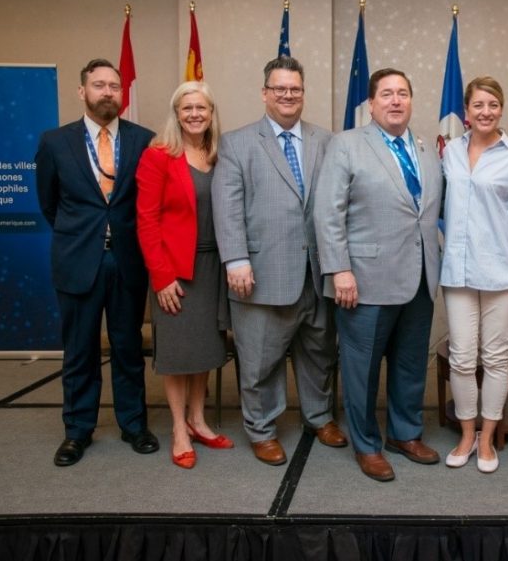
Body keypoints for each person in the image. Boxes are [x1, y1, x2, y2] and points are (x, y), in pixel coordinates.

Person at [212, 56, 345, 467]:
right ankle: (262, 429)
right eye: (279, 88)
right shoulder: (237, 143)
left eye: (295, 89)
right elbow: (227, 207)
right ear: (265, 93)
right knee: (260, 359)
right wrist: (235, 259)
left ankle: (319, 417)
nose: (288, 95)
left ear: (303, 93)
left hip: (317, 272)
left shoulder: (328, 141)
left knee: (319, 353)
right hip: (260, 272)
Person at [315, 68, 443, 482]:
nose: (395, 101)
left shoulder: (425, 148)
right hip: (364, 280)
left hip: (420, 276)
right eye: (386, 94)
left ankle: (405, 434)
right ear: (371, 103)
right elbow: (328, 212)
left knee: (409, 364)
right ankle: (366, 444)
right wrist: (339, 270)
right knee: (362, 368)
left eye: (403, 93)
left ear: (411, 100)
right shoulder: (347, 145)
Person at [35, 58, 158, 466]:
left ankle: (134, 425)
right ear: (82, 91)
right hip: (77, 261)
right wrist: (83, 236)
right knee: (80, 351)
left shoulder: (144, 140)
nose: (108, 92)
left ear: (122, 94)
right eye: (99, 85)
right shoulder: (55, 142)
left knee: (127, 346)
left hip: (127, 263)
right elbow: (49, 204)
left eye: (114, 86)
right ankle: (78, 431)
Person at [441, 76, 508, 474]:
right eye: (478, 104)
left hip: (501, 269)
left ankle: (487, 438)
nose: (485, 111)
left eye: (493, 104)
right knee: (463, 358)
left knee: (496, 358)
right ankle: (467, 432)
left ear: (501, 110)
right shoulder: (449, 152)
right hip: (457, 272)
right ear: (467, 111)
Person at [136, 81, 233, 469]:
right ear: (176, 113)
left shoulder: (219, 154)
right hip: (175, 269)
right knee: (177, 353)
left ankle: (198, 419)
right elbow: (145, 220)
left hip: (213, 268)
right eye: (187, 108)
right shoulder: (158, 155)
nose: (195, 114)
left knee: (206, 349)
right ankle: (178, 427)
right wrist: (161, 277)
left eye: (202, 108)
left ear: (212, 113)